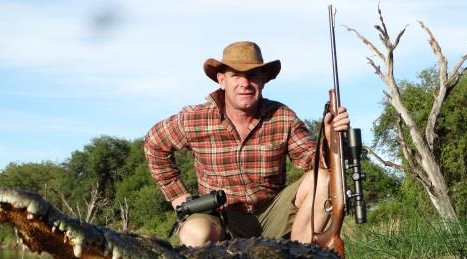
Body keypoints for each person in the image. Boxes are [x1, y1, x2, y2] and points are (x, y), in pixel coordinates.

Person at [144, 41, 350, 247]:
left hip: (272, 215)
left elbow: (313, 162)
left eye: (252, 75)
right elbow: (154, 143)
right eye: (236, 75)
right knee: (195, 231)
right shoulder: (194, 118)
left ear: (263, 80)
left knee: (323, 180)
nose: (245, 83)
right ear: (222, 80)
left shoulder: (283, 117)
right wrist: (178, 195)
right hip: (222, 216)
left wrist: (331, 138)